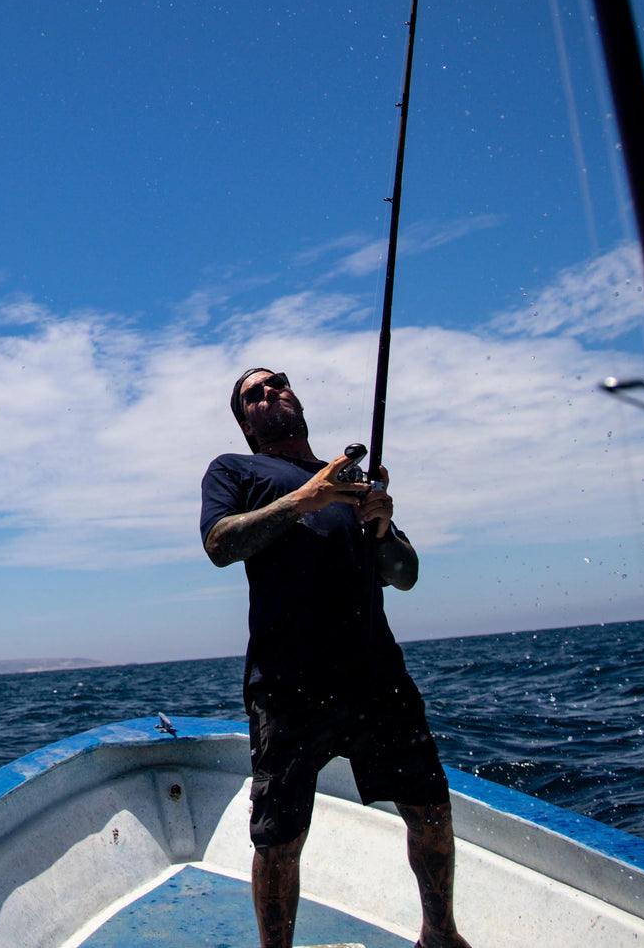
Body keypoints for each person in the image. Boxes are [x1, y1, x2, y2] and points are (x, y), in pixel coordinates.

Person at [200, 367, 472, 948]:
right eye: (256, 392)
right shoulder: (235, 470)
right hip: (287, 682)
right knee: (279, 837)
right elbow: (220, 544)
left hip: (377, 674)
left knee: (430, 809)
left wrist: (383, 525)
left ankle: (441, 936)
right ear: (245, 421)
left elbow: (405, 576)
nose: (273, 391)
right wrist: (304, 499)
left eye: (279, 383)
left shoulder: (353, 482)